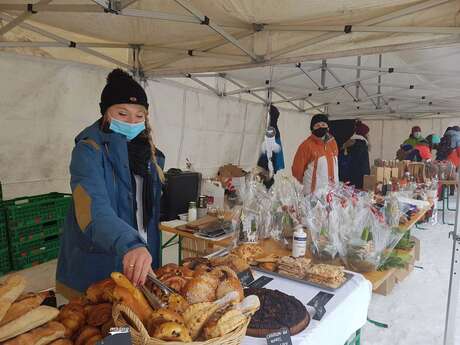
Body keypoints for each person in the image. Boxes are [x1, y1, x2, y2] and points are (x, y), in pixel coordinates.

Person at [56, 69, 165, 299]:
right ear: (106, 112)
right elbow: (93, 209)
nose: (132, 122)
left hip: (139, 261)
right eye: (122, 113)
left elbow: (147, 210)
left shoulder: (150, 155)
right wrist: (130, 244)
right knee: (106, 331)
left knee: (137, 326)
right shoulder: (88, 151)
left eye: (139, 115)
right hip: (99, 261)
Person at [292, 114, 338, 194]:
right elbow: (297, 171)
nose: (320, 127)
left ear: (328, 127)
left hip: (332, 194)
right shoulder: (306, 145)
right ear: (312, 129)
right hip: (313, 195)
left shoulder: (332, 143)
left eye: (323, 124)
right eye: (317, 125)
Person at [257, 105, 285, 188]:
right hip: (273, 145)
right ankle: (274, 114)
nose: (265, 176)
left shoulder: (269, 169)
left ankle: (274, 115)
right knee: (273, 128)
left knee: (272, 127)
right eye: (267, 177)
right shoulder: (271, 168)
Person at [339, 120, 370, 189]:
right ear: (364, 134)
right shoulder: (361, 144)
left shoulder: (350, 142)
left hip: (348, 175)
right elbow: (362, 164)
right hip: (358, 177)